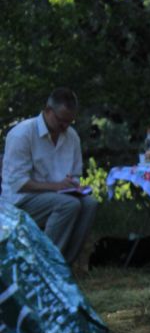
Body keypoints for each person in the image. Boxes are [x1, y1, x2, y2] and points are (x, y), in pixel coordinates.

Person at [1, 88, 97, 265]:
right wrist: (56, 187)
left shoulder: (72, 136)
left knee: (90, 204)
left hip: (56, 196)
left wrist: (75, 187)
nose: (65, 126)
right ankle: (43, 264)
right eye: (61, 120)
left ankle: (64, 263)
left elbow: (73, 175)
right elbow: (17, 183)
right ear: (47, 111)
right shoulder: (22, 134)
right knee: (69, 204)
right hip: (20, 201)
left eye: (70, 121)